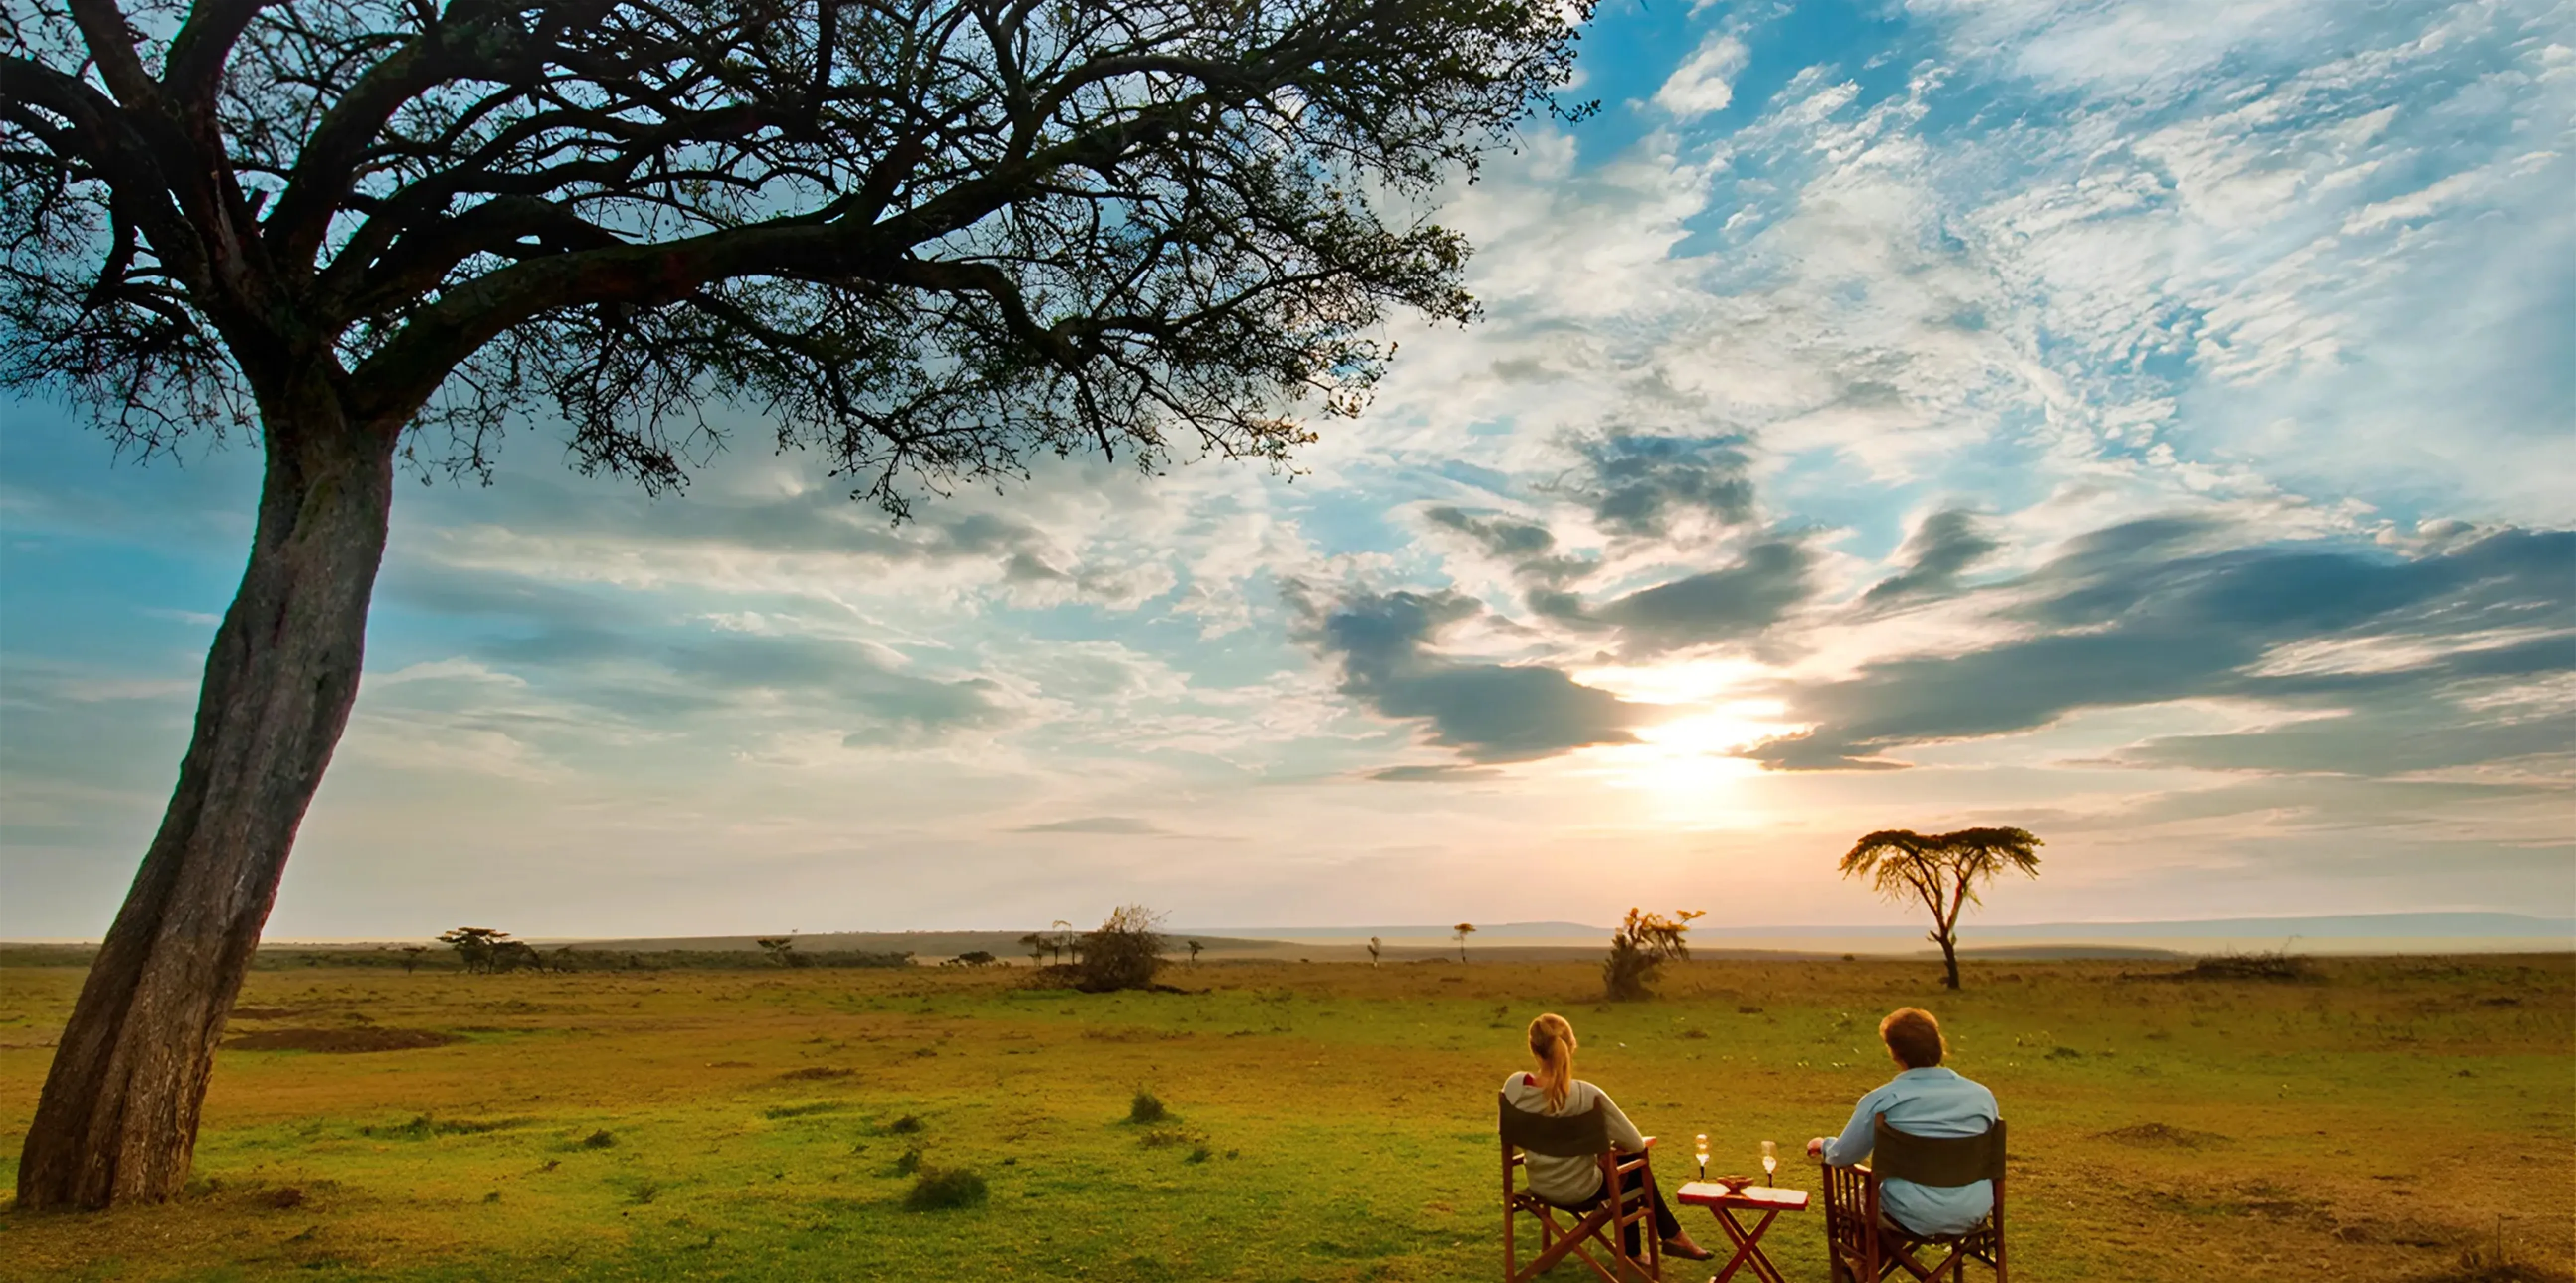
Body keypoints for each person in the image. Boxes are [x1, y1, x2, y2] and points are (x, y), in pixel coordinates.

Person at [1504, 1012, 1713, 1261]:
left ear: (1534, 1049)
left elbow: (1508, 1133)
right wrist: (1601, 1151)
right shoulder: (1587, 1095)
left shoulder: (1515, 1087)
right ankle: (1667, 1237)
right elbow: (1635, 1143)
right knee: (1633, 1162)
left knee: (1623, 1166)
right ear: (1572, 1046)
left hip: (1540, 1185)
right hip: (1583, 1191)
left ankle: (1641, 1248)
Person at [1805, 1007, 2000, 1237]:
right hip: (1973, 1211)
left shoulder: (1883, 1100)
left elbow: (1843, 1156)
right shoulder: (1982, 1097)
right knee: (1885, 1198)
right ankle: (1910, 1270)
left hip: (1908, 1213)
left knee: (1852, 1202)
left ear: (1895, 1053)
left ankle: (1863, 1269)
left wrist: (1825, 1145)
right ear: (1938, 1045)